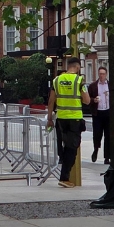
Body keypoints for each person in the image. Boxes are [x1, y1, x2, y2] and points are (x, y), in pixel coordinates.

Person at [46, 58, 91, 188]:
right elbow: (87, 100)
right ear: (77, 67)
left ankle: (64, 173)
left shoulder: (56, 80)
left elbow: (51, 101)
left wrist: (50, 118)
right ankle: (64, 177)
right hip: (75, 118)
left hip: (61, 118)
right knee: (72, 149)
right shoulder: (79, 80)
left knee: (65, 146)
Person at [89, 66, 111, 164]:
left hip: (108, 112)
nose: (101, 75)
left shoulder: (110, 85)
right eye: (100, 74)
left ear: (106, 74)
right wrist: (94, 100)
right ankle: (96, 149)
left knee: (108, 135)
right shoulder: (93, 85)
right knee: (97, 134)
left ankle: (107, 157)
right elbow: (87, 99)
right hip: (97, 113)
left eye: (103, 74)